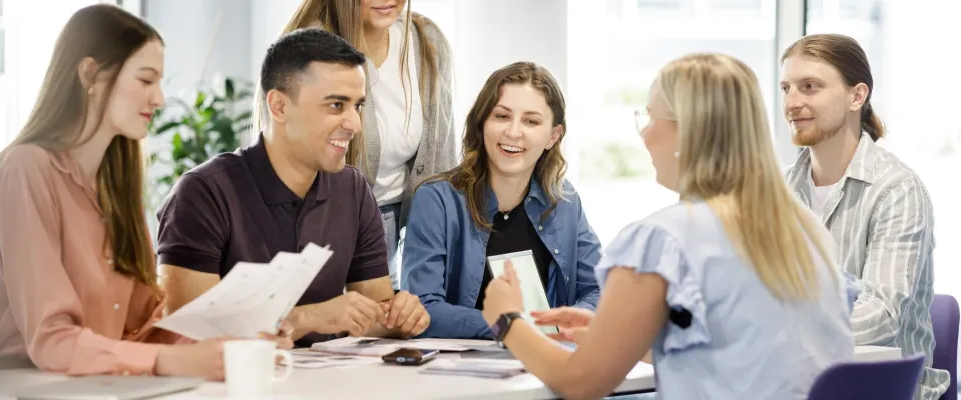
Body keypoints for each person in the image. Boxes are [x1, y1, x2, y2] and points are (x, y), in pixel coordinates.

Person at [480, 53, 857, 400]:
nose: (644, 134)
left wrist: (508, 320)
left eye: (650, 118)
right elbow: (738, 351)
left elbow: (581, 381)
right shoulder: (803, 228)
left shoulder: (665, 239)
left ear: (686, 131)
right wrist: (617, 333)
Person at [0, 4, 287, 379]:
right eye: (146, 81)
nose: (160, 99)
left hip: (95, 382)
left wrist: (235, 342)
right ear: (90, 75)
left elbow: (146, 327)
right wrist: (168, 361)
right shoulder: (26, 170)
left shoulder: (115, 185)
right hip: (17, 382)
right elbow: (51, 339)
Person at [157, 28, 429, 347]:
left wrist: (400, 319)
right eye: (336, 105)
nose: (355, 124)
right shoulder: (203, 193)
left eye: (358, 106)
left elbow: (374, 316)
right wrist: (309, 318)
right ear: (280, 106)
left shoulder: (352, 189)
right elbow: (185, 340)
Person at [780, 33, 947, 399]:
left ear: (857, 96)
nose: (792, 103)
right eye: (786, 89)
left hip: (883, 389)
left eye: (809, 87)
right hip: (795, 379)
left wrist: (778, 333)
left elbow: (881, 315)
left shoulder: (897, 190)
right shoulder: (780, 190)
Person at [402, 62, 601, 339]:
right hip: (459, 369)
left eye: (531, 121)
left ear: (553, 136)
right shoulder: (436, 199)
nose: (513, 132)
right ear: (481, 123)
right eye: (502, 116)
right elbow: (421, 308)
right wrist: (512, 329)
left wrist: (564, 323)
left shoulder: (564, 199)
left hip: (546, 360)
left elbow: (598, 288)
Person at [277, 0, 457, 288]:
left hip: (398, 232)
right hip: (321, 233)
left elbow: (442, 158)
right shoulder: (308, 50)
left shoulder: (427, 41)